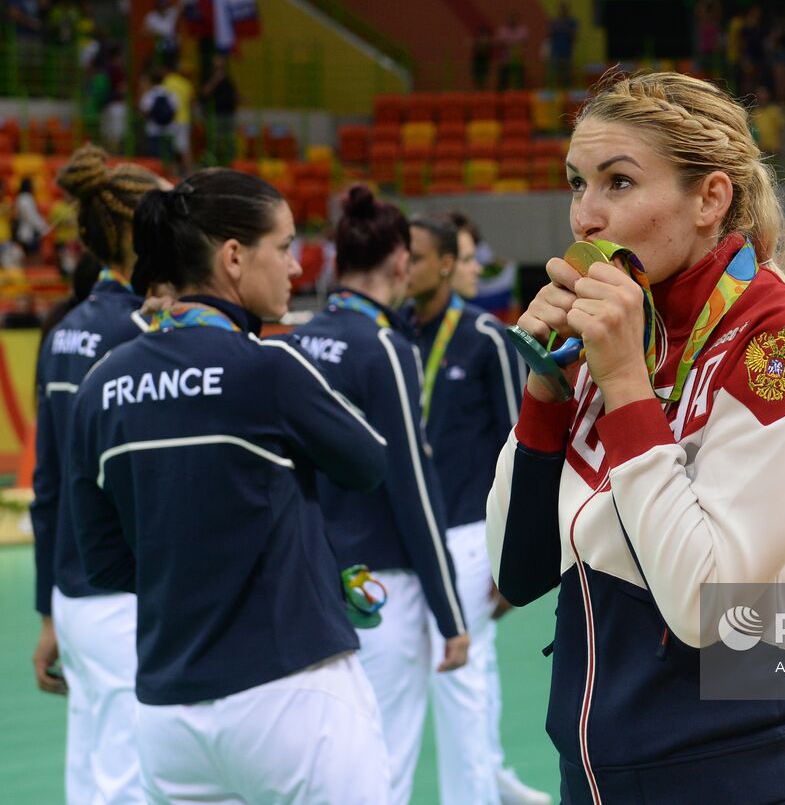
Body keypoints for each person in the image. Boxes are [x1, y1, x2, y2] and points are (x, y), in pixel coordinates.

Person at [487, 71, 785, 801]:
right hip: (596, 780)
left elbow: (706, 608)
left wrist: (626, 382)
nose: (585, 218)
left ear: (710, 199)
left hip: (737, 777)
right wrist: (547, 387)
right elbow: (517, 567)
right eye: (576, 184)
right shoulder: (629, 328)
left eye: (618, 183)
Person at [67, 168, 393, 803]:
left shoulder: (99, 388)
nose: (297, 267)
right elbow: (368, 463)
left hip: (167, 716)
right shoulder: (267, 366)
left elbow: (104, 563)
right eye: (285, 245)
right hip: (291, 693)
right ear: (235, 257)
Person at [292, 186, 471, 805]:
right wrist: (451, 613)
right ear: (399, 262)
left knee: (320, 766)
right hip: (380, 590)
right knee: (382, 769)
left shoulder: (293, 344)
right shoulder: (387, 349)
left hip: (311, 585)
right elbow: (413, 485)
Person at [403, 215, 549, 805]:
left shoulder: (486, 337)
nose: (402, 267)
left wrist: (511, 549)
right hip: (406, 540)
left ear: (444, 263)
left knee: (462, 679)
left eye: (414, 256)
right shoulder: (393, 336)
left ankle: (481, 786)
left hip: (466, 536)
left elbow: (522, 443)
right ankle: (490, 777)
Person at [30, 147, 161, 804]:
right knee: (126, 780)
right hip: (125, 592)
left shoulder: (63, 332)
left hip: (78, 598)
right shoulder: (144, 335)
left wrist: (47, 609)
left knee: (90, 772)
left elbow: (47, 483)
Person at [12, 176, 48, 255]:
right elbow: (30, 216)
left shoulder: (21, 198)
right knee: (32, 258)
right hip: (28, 233)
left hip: (25, 232)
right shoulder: (26, 198)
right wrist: (43, 226)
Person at [547, 1, 578, 89]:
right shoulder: (554, 22)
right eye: (561, 8)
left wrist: (564, 28)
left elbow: (574, 35)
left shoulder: (572, 22)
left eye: (564, 8)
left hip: (567, 51)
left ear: (567, 10)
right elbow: (549, 35)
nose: (563, 11)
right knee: (554, 71)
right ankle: (554, 89)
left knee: (567, 72)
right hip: (555, 50)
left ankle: (567, 88)